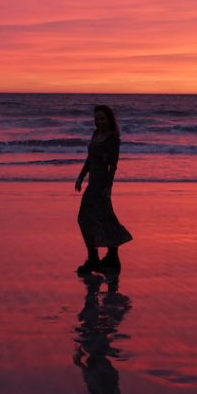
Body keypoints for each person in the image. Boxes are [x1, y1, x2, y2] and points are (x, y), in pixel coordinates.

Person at [74, 104, 133, 275]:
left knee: (92, 218)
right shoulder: (96, 134)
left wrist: (108, 187)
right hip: (92, 182)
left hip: (101, 185)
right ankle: (105, 257)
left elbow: (113, 166)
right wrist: (81, 176)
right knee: (91, 218)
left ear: (109, 119)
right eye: (96, 119)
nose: (99, 122)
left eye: (102, 118)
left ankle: (100, 258)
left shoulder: (112, 139)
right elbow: (90, 158)